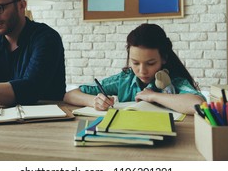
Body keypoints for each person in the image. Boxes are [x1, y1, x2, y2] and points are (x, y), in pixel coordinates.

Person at [64, 23, 205, 115]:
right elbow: (70, 95)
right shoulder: (124, 79)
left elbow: (198, 104)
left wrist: (153, 96)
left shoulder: (175, 81)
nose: (142, 71)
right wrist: (94, 101)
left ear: (164, 58)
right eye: (135, 63)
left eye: (150, 63)